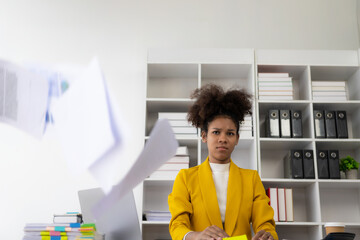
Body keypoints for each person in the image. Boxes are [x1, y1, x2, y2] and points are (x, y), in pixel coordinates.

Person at [168, 84, 278, 240]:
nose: (223, 139)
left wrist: (268, 236)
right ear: (204, 136)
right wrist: (197, 236)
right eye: (216, 132)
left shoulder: (251, 179)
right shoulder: (185, 178)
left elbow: (265, 224)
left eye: (230, 133)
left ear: (237, 139)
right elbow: (177, 225)